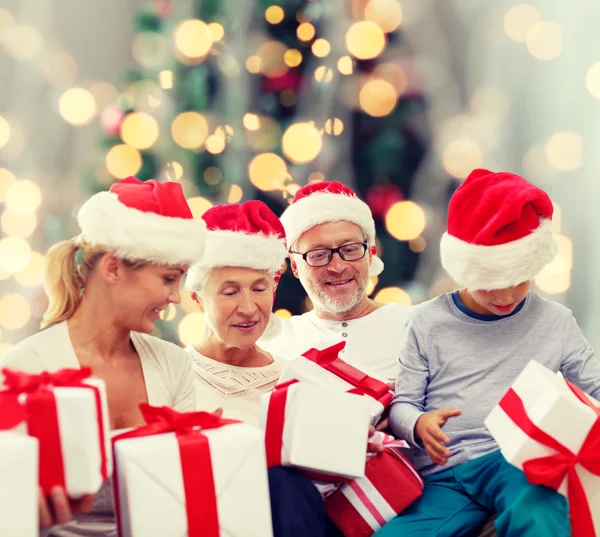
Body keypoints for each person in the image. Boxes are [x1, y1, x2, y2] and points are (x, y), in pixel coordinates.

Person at [376, 169, 600, 536]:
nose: (507, 296)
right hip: (444, 476)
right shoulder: (426, 322)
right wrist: (419, 424)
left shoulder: (555, 322)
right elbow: (403, 404)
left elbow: (594, 389)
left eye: (520, 280)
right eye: (489, 285)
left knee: (538, 512)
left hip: (517, 463)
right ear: (463, 268)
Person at [1, 177, 206, 533]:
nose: (176, 297)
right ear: (112, 269)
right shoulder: (26, 369)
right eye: (168, 279)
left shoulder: (173, 364)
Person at [184, 200, 344, 537]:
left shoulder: (296, 379)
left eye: (259, 289)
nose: (248, 308)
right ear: (198, 299)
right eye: (229, 292)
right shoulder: (171, 373)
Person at [258, 181, 410, 383]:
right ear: (295, 266)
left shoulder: (414, 327)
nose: (337, 267)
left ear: (371, 254)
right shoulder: (274, 344)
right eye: (319, 255)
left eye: (350, 250)